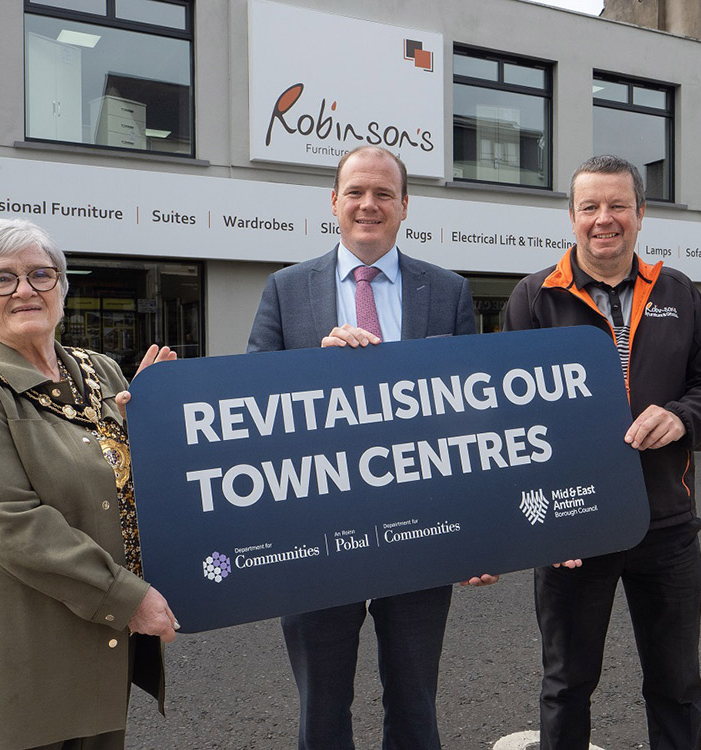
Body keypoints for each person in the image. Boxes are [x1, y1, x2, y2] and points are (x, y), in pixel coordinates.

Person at [247, 145, 496, 750]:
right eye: (356, 192)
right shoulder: (285, 290)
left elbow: (473, 420)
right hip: (315, 535)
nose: (368, 204)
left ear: (405, 206)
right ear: (333, 202)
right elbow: (253, 406)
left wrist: (478, 533)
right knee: (322, 707)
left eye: (384, 193)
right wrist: (314, 374)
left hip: (421, 531)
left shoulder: (449, 291)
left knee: (415, 699)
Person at [504, 155, 701, 750]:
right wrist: (547, 524)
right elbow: (509, 420)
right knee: (566, 684)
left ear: (640, 214)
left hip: (667, 527)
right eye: (590, 207)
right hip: (574, 529)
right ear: (572, 216)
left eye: (617, 206)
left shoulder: (678, 292)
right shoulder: (534, 299)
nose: (603, 219)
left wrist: (682, 416)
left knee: (676, 683)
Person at [0, 218, 179, 750]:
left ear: (62, 290)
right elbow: (10, 521)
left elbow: (137, 487)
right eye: (2, 278)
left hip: (102, 652)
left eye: (42, 274)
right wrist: (127, 598)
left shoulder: (103, 372)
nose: (25, 289)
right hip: (22, 670)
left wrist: (163, 422)